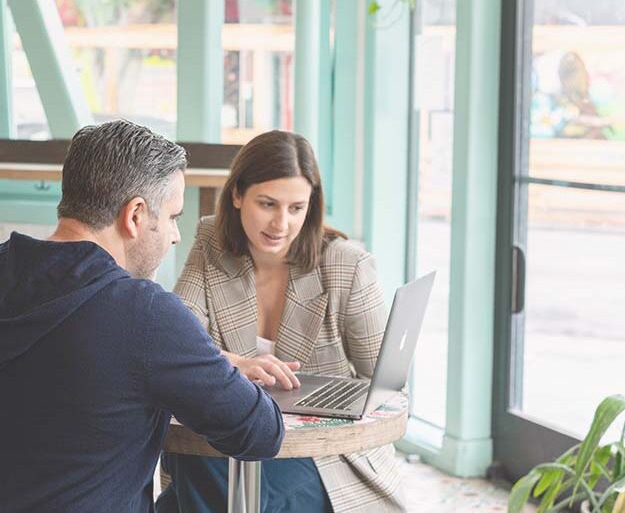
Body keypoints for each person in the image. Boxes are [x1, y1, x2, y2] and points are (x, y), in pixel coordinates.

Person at [0, 120, 284, 513]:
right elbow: (261, 432)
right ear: (134, 215)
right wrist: (209, 364)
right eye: (171, 217)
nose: (176, 235)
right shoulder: (144, 314)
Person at [158, 130, 406, 513]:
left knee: (191, 490)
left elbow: (388, 388)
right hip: (230, 438)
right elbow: (175, 339)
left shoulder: (346, 266)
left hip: (324, 458)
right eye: (268, 203)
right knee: (199, 461)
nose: (281, 223)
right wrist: (236, 364)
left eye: (296, 208)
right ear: (237, 195)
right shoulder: (212, 240)